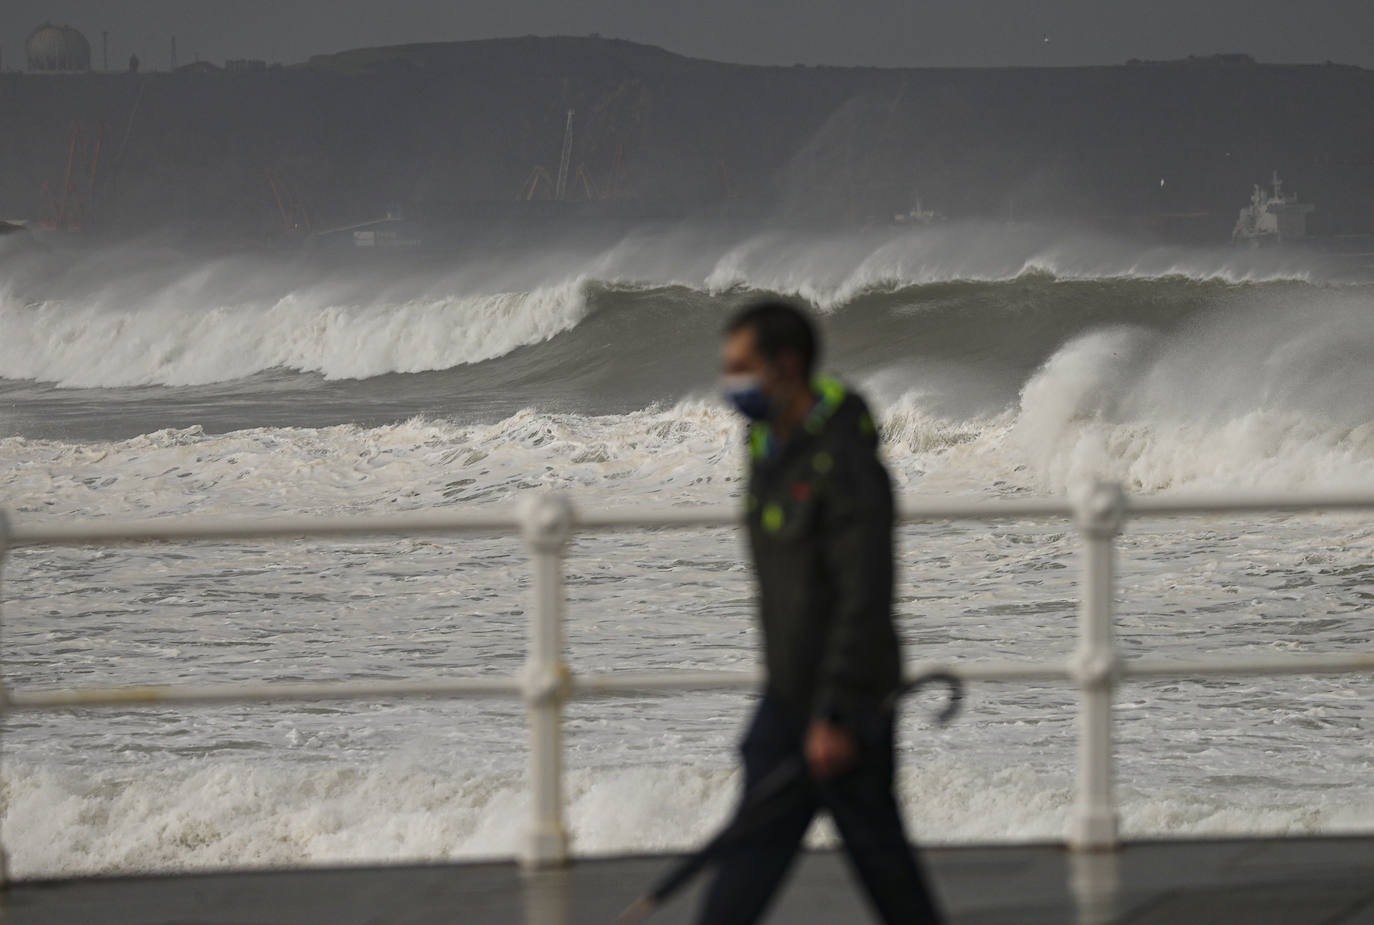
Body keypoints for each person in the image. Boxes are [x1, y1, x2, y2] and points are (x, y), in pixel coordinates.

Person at [700, 299, 942, 925]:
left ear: (788, 365)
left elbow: (864, 593)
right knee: (756, 859)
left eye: (743, 366)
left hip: (845, 704)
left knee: (884, 872)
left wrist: (834, 710)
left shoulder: (844, 460)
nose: (731, 381)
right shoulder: (764, 443)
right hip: (789, 697)